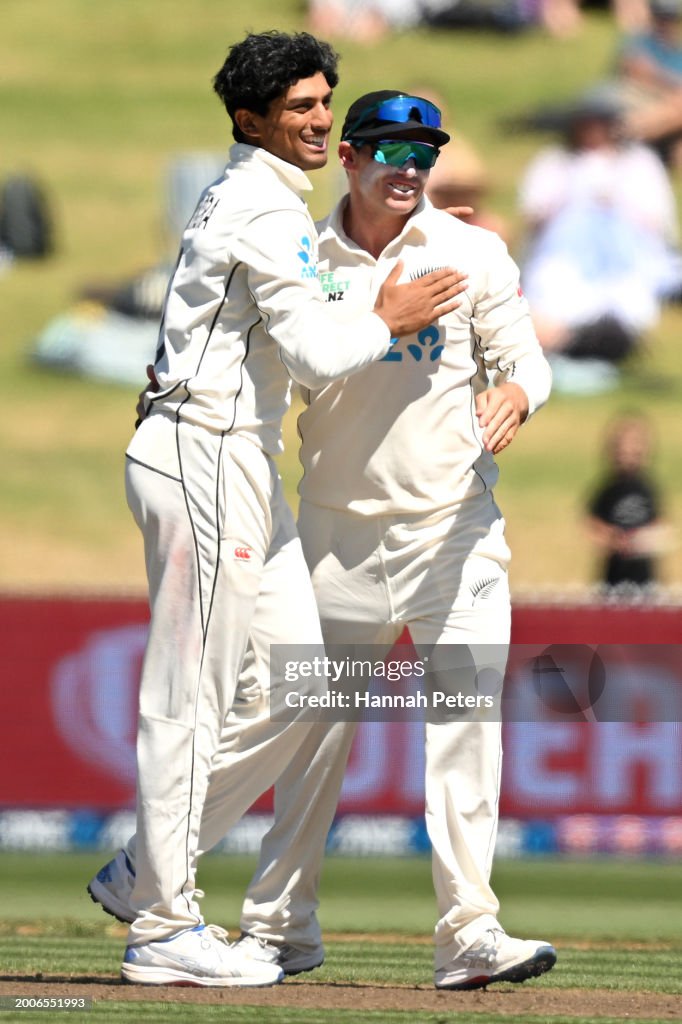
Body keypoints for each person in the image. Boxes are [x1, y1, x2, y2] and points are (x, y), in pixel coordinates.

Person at [90, 89, 555, 991]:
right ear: (348, 157)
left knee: (468, 730)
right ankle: (270, 923)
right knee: (307, 735)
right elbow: (271, 349)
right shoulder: (303, 250)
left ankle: (470, 934)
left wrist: (518, 394)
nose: (408, 166)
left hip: (455, 536)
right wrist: (378, 312)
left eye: (424, 152)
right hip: (335, 537)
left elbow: (524, 353)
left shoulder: (470, 251)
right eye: (387, 148)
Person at [518, 91, 682, 366]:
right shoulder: (555, 162)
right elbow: (535, 217)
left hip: (627, 259)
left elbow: (658, 222)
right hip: (565, 258)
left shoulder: (640, 163)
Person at [586, 412, 672, 589]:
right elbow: (592, 525)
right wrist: (613, 539)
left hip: (645, 578)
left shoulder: (648, 488)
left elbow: (661, 526)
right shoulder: (607, 489)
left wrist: (641, 540)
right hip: (613, 578)